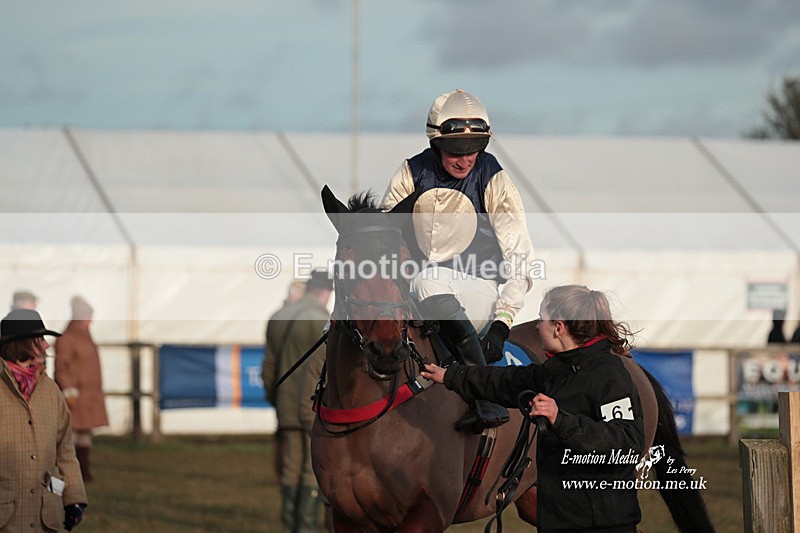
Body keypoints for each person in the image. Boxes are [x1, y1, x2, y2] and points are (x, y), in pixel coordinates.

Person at [421, 285, 644, 532]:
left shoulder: (609, 374)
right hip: (560, 522)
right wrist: (449, 375)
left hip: (604, 524)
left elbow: (627, 443)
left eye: (542, 319)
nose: (537, 326)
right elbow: (503, 382)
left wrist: (560, 420)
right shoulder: (553, 372)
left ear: (558, 328)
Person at [381, 89, 535, 433]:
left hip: (479, 292)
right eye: (456, 151)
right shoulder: (410, 172)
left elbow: (520, 257)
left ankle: (485, 397)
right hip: (422, 294)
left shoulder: (493, 177)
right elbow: (387, 237)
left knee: (428, 279)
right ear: (436, 143)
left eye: (474, 149)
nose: (466, 160)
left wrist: (503, 322)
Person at [0, 308, 88, 532]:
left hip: (45, 520)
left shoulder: (51, 391)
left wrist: (72, 499)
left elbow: (65, 452)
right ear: (20, 344)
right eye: (40, 339)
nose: (47, 346)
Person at [262, 270, 333, 533]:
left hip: (285, 402)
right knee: (310, 468)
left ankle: (291, 526)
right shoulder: (322, 320)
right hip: (311, 404)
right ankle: (306, 527)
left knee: (290, 467)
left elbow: (269, 365)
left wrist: (275, 398)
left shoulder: (278, 316)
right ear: (325, 292)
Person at [54, 296, 109, 482]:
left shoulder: (86, 336)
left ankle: (84, 469)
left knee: (85, 433)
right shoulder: (67, 339)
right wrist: (68, 388)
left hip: (89, 394)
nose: (90, 321)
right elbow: (61, 366)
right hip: (76, 395)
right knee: (72, 434)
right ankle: (72, 471)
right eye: (87, 317)